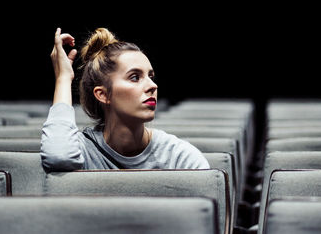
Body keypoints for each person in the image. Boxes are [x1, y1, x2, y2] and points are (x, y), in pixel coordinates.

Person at [41, 27, 210, 171]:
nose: (153, 86)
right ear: (103, 94)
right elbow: (57, 156)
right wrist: (63, 78)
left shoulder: (178, 157)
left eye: (151, 76)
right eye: (135, 77)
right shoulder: (83, 150)